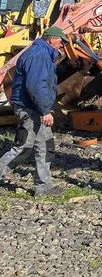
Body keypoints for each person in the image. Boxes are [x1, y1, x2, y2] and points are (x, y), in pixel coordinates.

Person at [0, 26, 66, 196]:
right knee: (24, 146)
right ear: (51, 39)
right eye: (61, 41)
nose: (63, 45)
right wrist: (45, 111)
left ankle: (44, 187)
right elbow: (36, 86)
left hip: (34, 107)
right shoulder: (39, 55)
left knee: (45, 145)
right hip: (31, 109)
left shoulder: (41, 53)